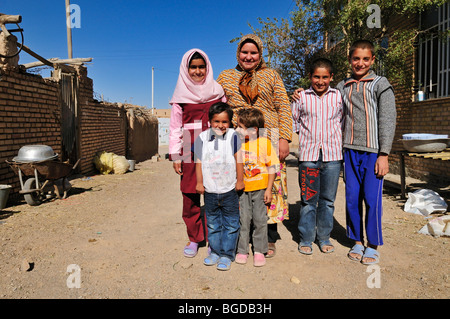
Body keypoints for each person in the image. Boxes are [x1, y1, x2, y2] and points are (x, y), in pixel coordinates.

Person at [217, 34, 292, 258]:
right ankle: (242, 233)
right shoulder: (226, 76)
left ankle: (268, 237)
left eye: (253, 52)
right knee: (242, 183)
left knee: (270, 187)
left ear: (260, 54)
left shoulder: (271, 75)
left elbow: (283, 106)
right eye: (244, 52)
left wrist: (284, 138)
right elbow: (218, 106)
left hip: (269, 136)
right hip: (238, 137)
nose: (248, 57)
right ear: (238, 53)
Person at [336, 40, 396, 265]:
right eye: (355, 58)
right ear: (350, 60)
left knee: (372, 199)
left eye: (365, 59)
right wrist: (303, 93)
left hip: (373, 153)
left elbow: (387, 119)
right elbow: (327, 99)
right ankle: (357, 241)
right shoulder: (343, 86)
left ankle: (372, 244)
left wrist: (384, 153)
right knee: (352, 198)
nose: (360, 63)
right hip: (350, 151)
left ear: (372, 60)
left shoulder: (380, 84)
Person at [169, 49, 226, 258]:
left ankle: (213, 238)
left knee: (214, 195)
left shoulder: (218, 92)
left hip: (215, 151)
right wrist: (176, 155)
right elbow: (175, 127)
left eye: (201, 67)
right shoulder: (179, 97)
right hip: (188, 150)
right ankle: (194, 238)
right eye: (193, 67)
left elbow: (225, 120)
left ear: (208, 67)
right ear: (186, 69)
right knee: (190, 196)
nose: (198, 71)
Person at [291, 58, 343, 255]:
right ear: (310, 77)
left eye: (324, 77)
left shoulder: (338, 96)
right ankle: (306, 238)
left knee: (328, 200)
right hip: (309, 156)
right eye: (316, 77)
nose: (320, 81)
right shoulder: (301, 97)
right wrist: (307, 137)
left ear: (331, 77)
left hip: (332, 156)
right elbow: (293, 122)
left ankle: (324, 237)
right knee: (308, 200)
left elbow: (343, 121)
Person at [194, 102, 244, 271]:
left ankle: (227, 254)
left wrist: (240, 180)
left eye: (225, 122)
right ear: (210, 121)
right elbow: (198, 163)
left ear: (230, 122)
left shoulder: (234, 136)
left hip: (229, 189)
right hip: (209, 190)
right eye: (216, 121)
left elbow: (239, 160)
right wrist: (199, 182)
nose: (220, 125)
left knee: (231, 224)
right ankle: (215, 252)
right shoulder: (202, 138)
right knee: (213, 224)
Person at [235, 108, 279, 266]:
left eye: (240, 127)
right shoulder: (237, 143)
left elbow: (272, 167)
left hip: (260, 189)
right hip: (242, 190)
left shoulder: (265, 143)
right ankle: (242, 250)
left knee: (260, 220)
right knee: (244, 220)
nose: (237, 129)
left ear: (253, 130)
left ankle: (259, 250)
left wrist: (268, 189)